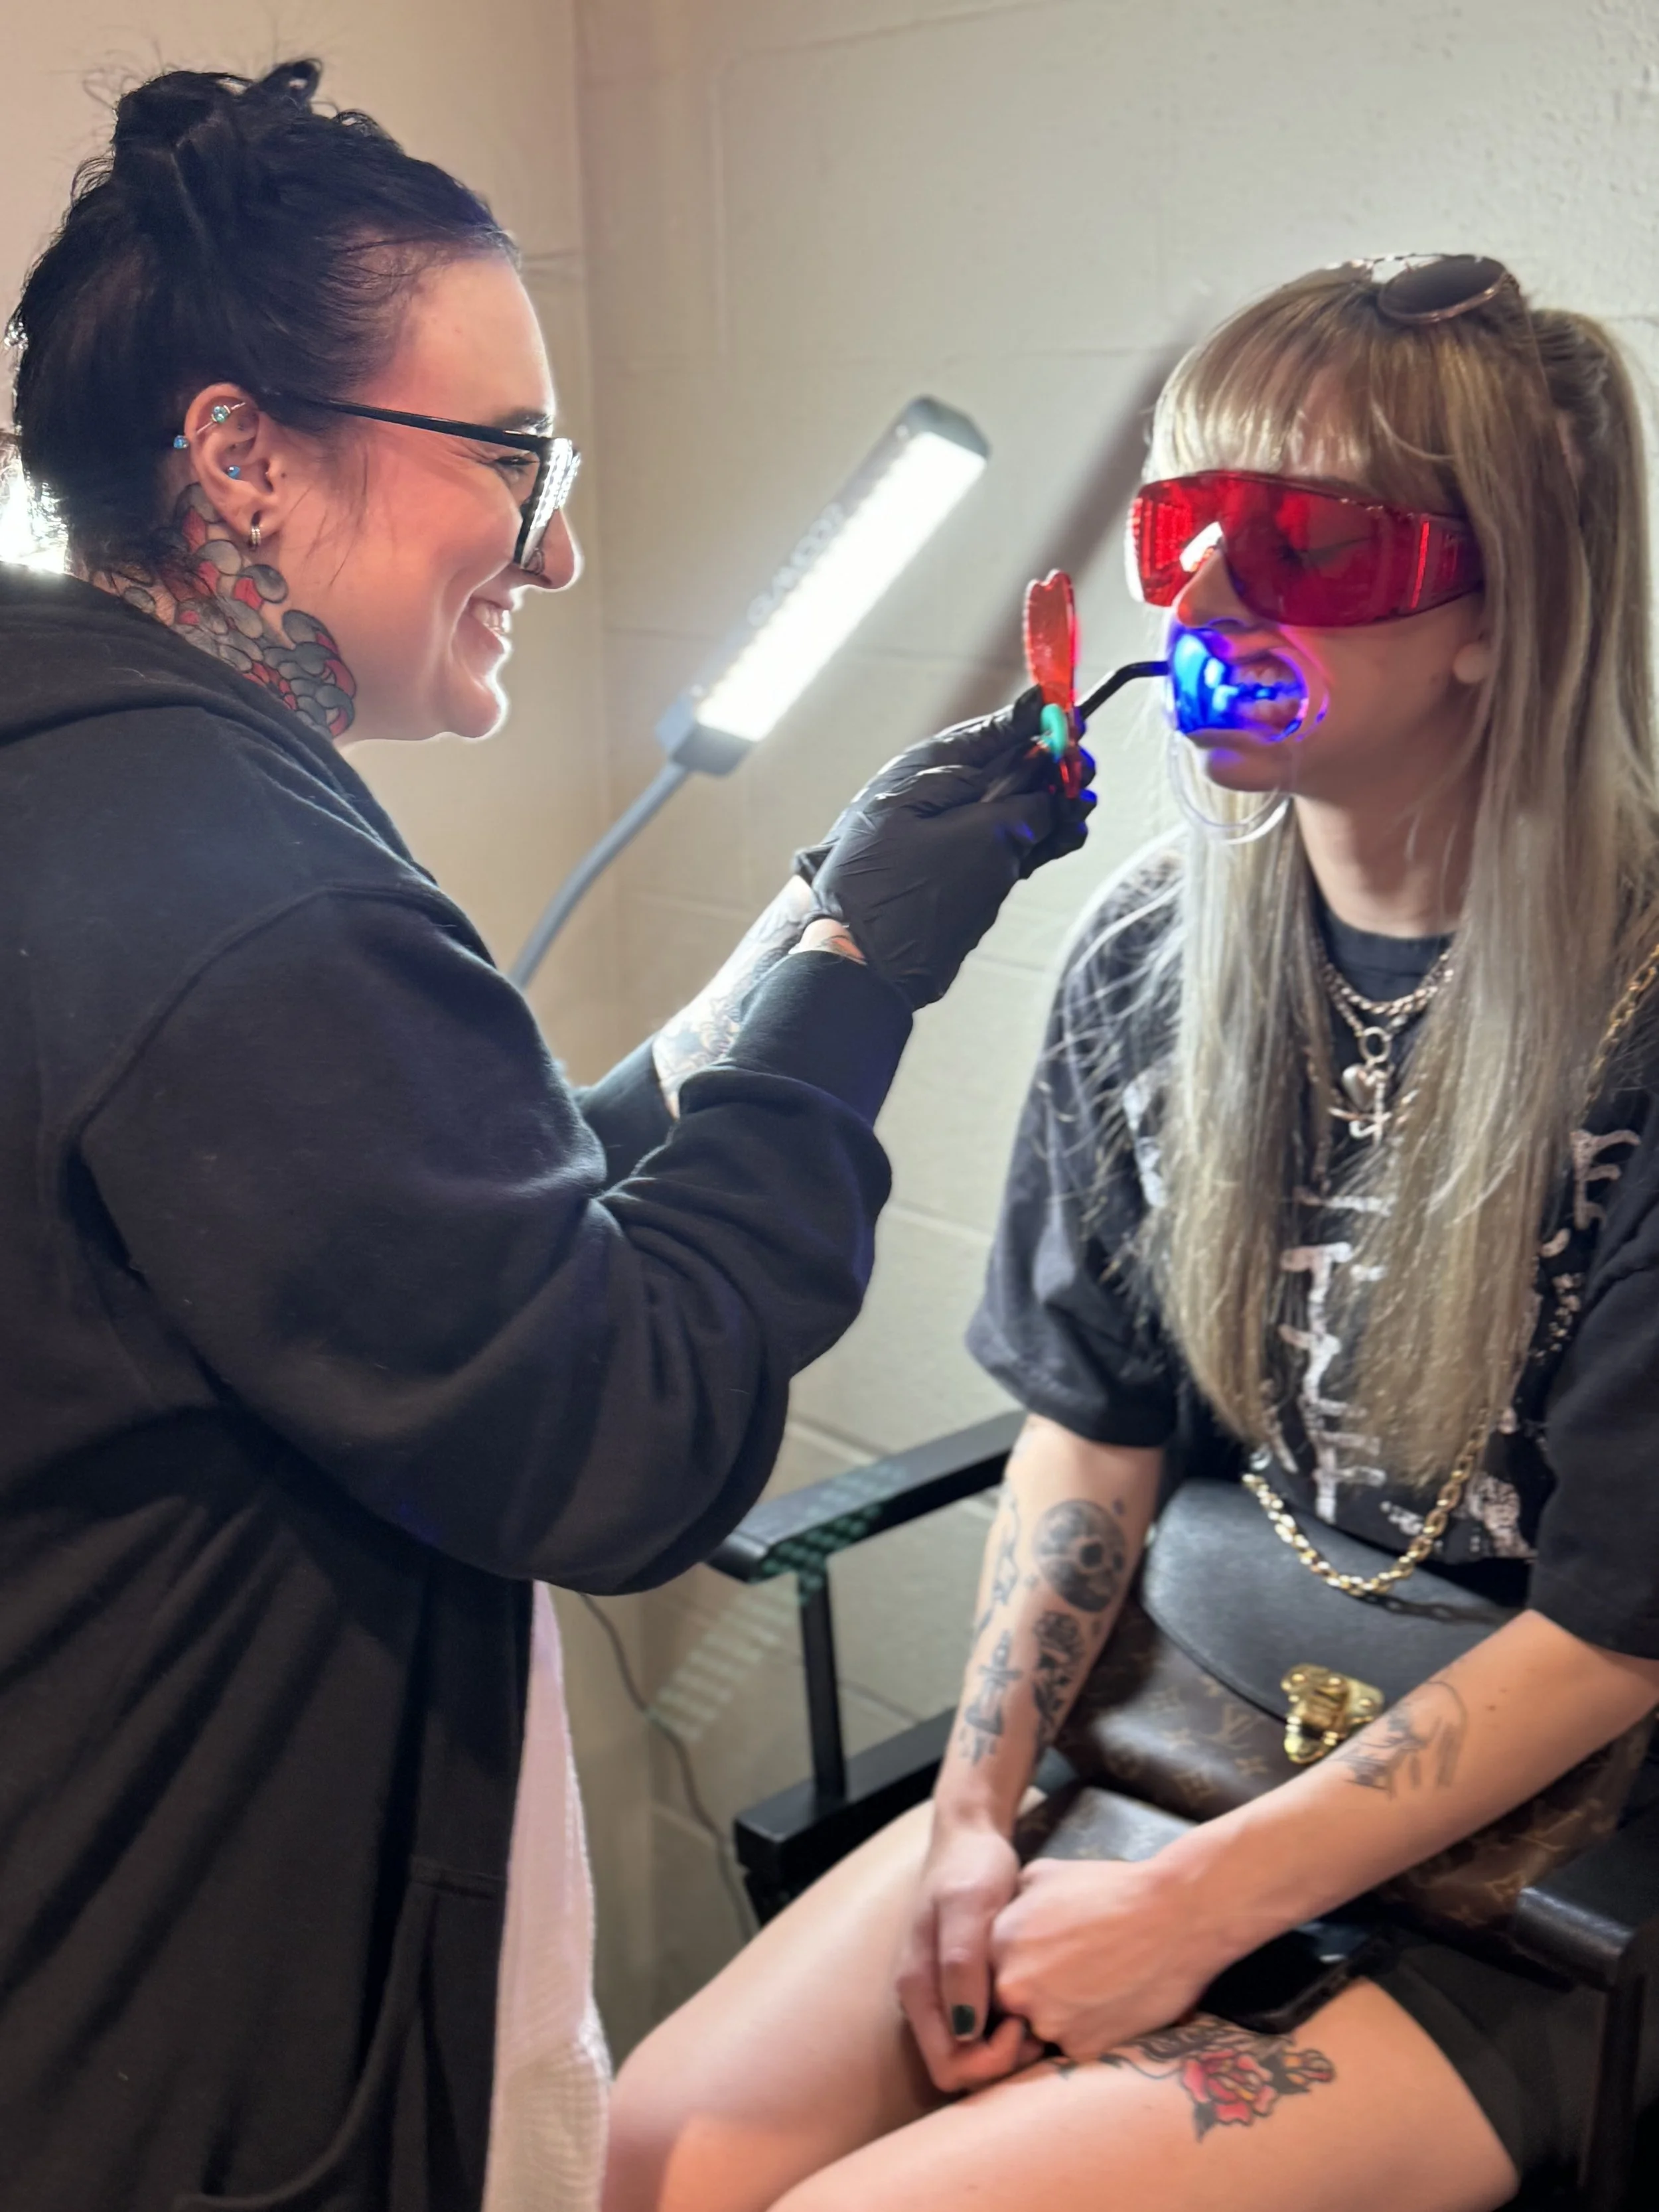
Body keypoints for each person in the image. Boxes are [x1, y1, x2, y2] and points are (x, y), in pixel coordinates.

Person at [0, 59, 1092, 2212]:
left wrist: (795, 928)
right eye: (511, 456)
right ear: (239, 456)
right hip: (183, 2049)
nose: (564, 540)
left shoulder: (85, 777)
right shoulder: (251, 894)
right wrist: (861, 976)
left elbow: (444, 1240)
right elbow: (622, 1423)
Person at [605, 257, 1659, 2212]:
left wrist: (1177, 1913)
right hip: (1166, 1731)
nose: (1193, 600)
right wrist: (971, 1821)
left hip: (1520, 1875)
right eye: (1179, 526)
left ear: (1498, 622)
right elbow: (1089, 1419)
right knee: (657, 2147)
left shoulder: (1635, 1012)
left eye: (1308, 543)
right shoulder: (1150, 955)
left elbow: (1610, 1633)